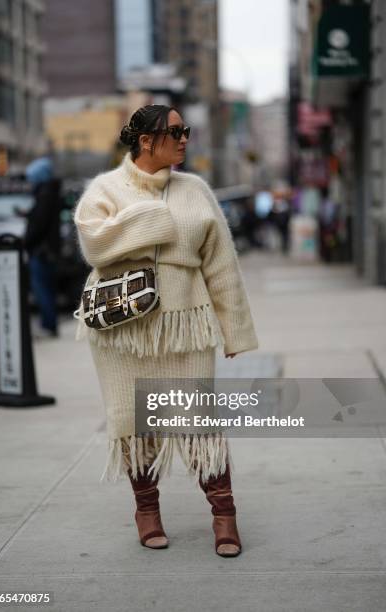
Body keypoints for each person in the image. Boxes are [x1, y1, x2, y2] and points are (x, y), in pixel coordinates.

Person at [74, 104, 259, 557]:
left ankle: (223, 514)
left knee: (198, 420)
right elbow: (94, 242)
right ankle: (147, 510)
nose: (184, 139)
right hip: (123, 329)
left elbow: (222, 264)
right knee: (134, 421)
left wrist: (234, 332)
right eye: (175, 132)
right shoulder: (105, 188)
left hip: (184, 325)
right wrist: (151, 218)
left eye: (185, 131)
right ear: (145, 140)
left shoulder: (195, 189)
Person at [24, 157, 62, 337]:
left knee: (41, 289)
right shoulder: (52, 192)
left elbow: (39, 225)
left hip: (41, 251)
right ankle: (50, 323)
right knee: (48, 288)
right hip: (50, 251)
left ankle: (48, 325)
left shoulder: (44, 194)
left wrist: (27, 242)